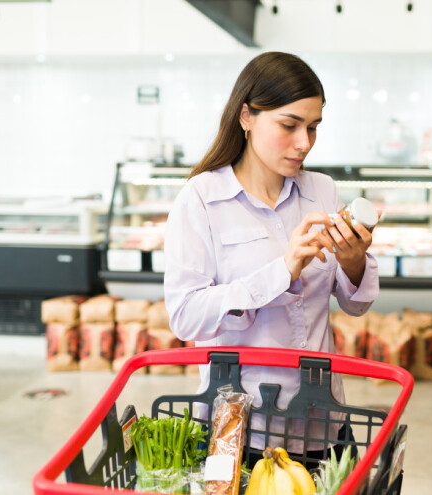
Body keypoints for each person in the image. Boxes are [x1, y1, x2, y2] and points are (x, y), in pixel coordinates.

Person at [163, 52, 379, 466]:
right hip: (239, 428)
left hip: (320, 419)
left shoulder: (322, 191)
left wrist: (354, 260)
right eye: (289, 125)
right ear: (246, 116)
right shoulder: (202, 199)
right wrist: (281, 271)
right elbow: (186, 316)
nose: (305, 143)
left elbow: (356, 303)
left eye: (313, 128)